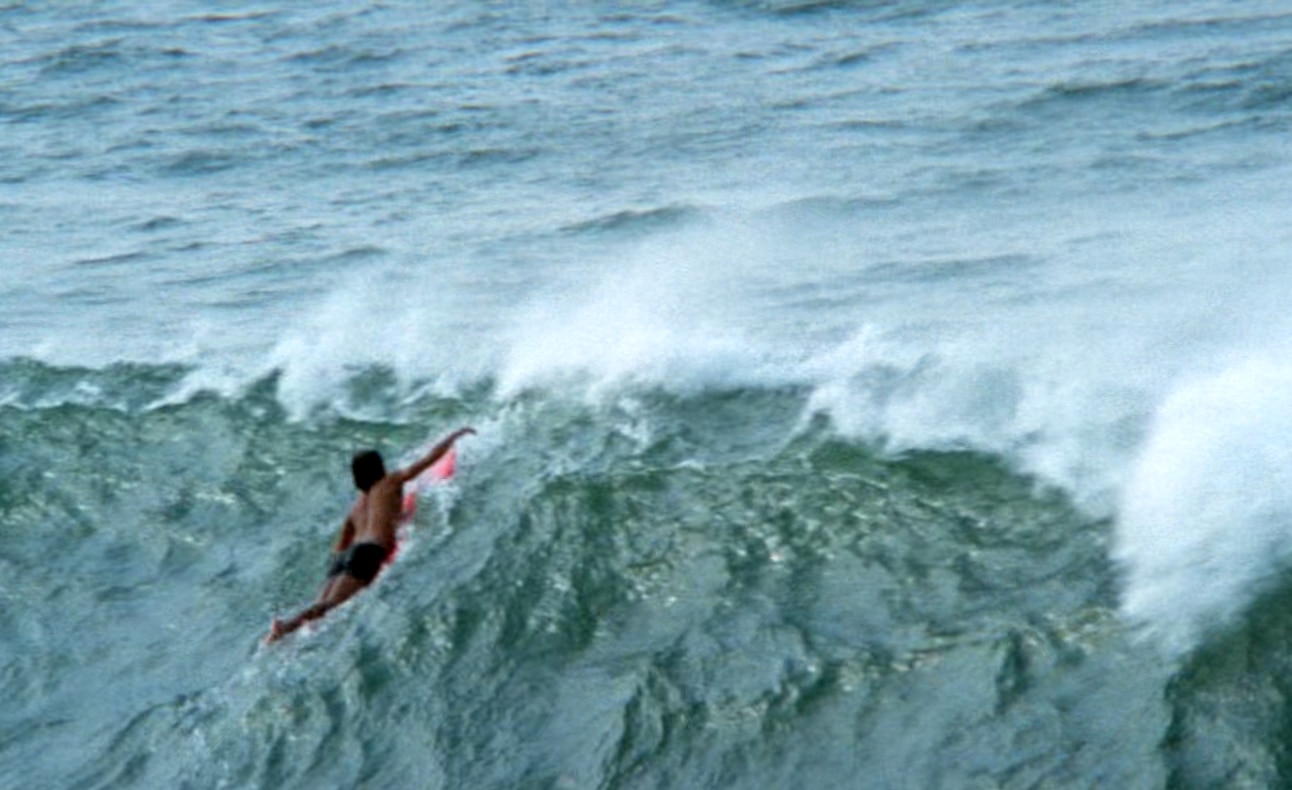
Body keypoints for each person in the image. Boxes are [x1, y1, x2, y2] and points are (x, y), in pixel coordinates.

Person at [265, 427, 475, 644]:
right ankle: (285, 627)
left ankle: (285, 631)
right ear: (379, 469)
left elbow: (339, 548)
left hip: (344, 559)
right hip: (369, 552)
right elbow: (426, 462)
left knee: (320, 607)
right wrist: (453, 437)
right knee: (329, 608)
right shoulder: (390, 483)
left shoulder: (355, 509)